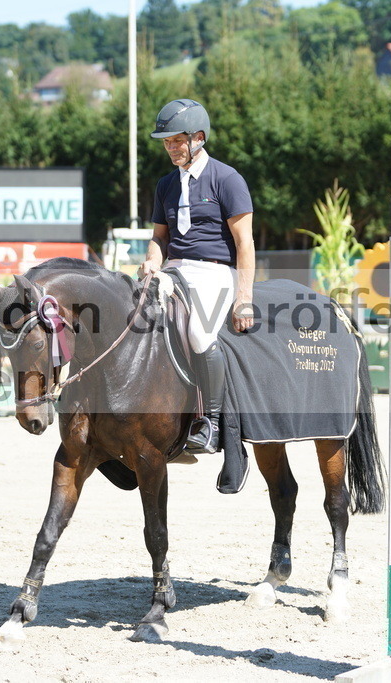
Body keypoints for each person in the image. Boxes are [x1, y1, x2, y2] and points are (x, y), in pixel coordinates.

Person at [140, 98, 255, 454]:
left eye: (177, 140)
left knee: (199, 332)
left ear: (199, 138)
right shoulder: (165, 185)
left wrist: (244, 298)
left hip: (214, 272)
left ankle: (212, 423)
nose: (171, 147)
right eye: (166, 142)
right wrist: (151, 262)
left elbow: (245, 243)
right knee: (136, 318)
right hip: (174, 270)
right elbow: (160, 237)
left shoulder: (227, 179)